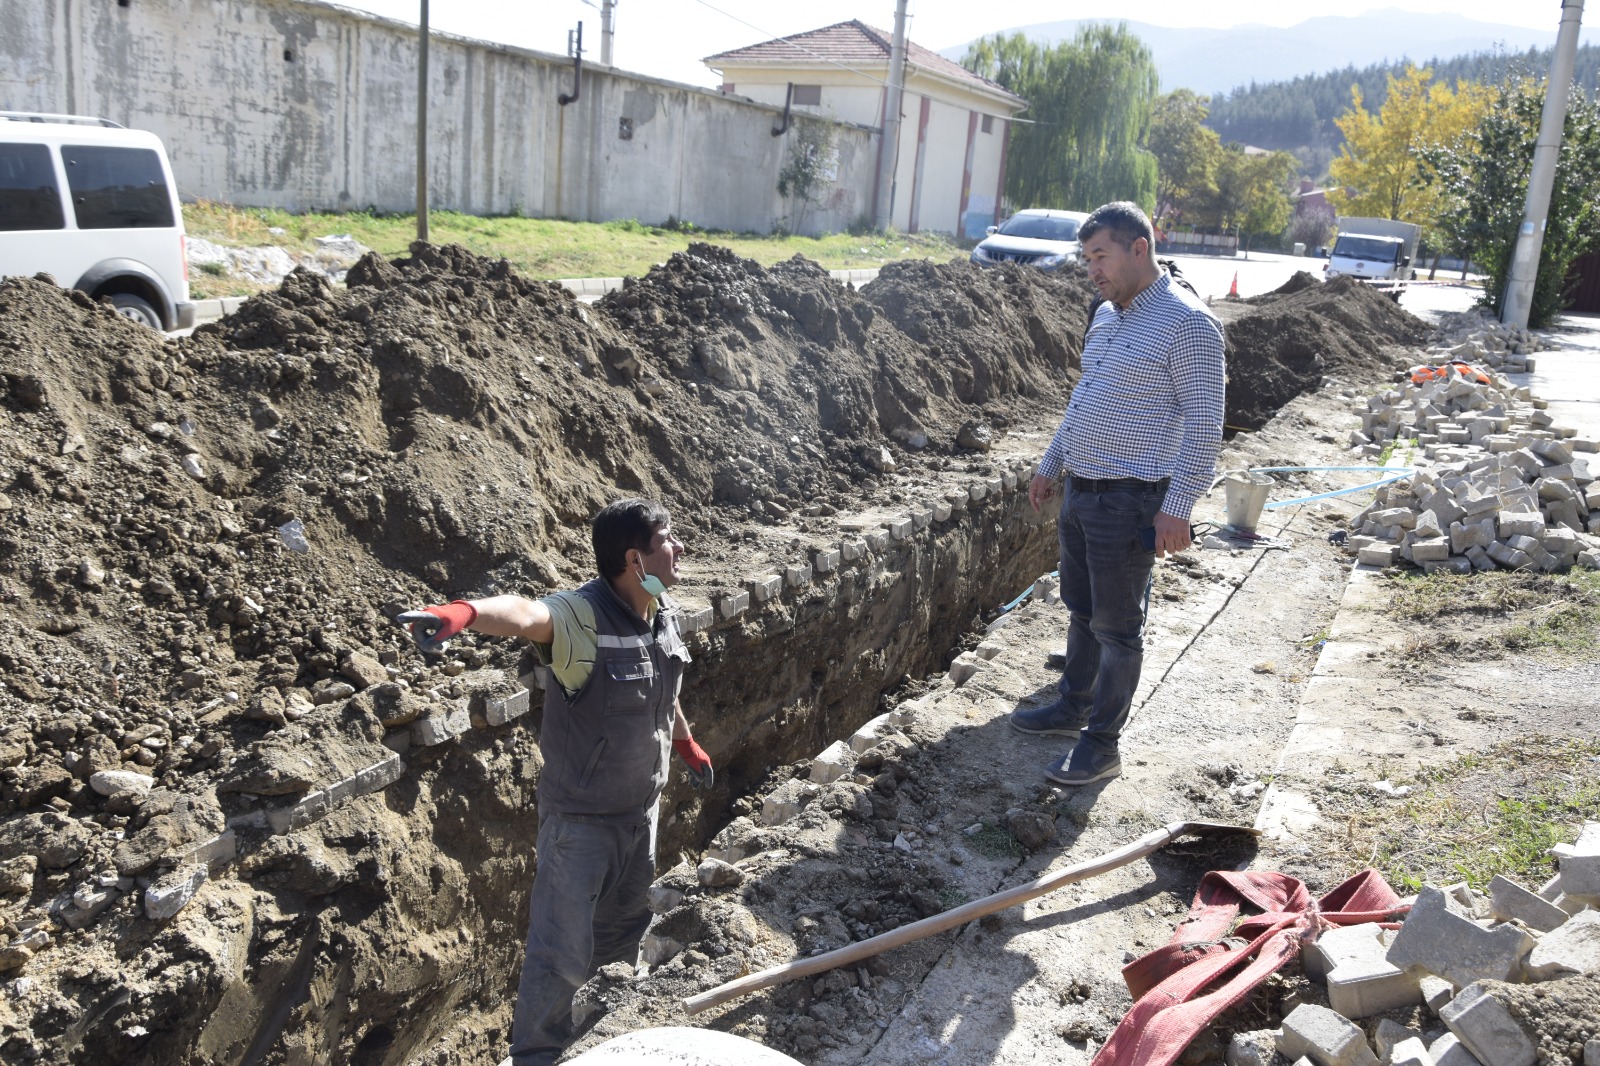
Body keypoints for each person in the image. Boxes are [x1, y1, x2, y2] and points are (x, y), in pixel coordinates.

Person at [397, 498, 714, 1066]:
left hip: (641, 815)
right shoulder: (579, 618)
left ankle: (607, 1043)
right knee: (561, 959)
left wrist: (686, 743)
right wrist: (463, 614)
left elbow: (661, 688)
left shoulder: (658, 609)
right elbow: (524, 613)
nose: (681, 548)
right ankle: (539, 1056)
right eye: (669, 540)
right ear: (635, 558)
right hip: (581, 828)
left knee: (622, 939)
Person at [1013, 201, 1226, 787]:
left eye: (1100, 256)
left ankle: (1102, 744)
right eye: (1087, 259)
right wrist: (1051, 463)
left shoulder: (1188, 324)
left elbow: (1206, 423)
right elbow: (1085, 399)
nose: (1092, 271)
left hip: (1130, 500)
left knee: (1117, 627)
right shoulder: (1106, 316)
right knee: (1080, 609)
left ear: (1141, 247)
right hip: (1082, 492)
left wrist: (1177, 508)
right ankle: (1071, 705)